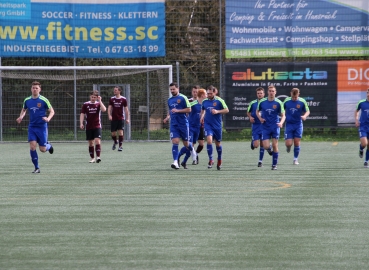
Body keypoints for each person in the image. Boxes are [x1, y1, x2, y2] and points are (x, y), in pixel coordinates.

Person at [16, 81, 55, 173]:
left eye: (36, 88)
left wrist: (48, 118)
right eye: (33, 88)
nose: (35, 89)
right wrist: (21, 117)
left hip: (42, 127)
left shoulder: (44, 100)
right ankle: (37, 168)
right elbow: (24, 109)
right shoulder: (27, 100)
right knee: (32, 146)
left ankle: (49, 146)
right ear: (31, 89)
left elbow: (52, 111)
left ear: (40, 89)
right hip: (32, 127)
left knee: (42, 149)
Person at [163, 82, 194, 169]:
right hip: (174, 124)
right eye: (171, 89)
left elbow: (189, 109)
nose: (172, 91)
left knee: (186, 144)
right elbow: (171, 111)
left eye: (173, 89)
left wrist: (178, 110)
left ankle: (193, 150)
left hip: (183, 124)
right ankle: (176, 162)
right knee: (175, 142)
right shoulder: (169, 100)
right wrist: (167, 117)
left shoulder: (183, 98)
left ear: (178, 88)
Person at [256, 85, 285, 170]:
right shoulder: (262, 102)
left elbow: (283, 115)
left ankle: (274, 165)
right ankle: (269, 148)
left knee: (275, 145)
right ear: (267, 92)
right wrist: (260, 118)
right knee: (265, 146)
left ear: (275, 92)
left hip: (275, 126)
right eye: (270, 91)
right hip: (265, 126)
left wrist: (281, 123)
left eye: (273, 91)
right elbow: (257, 111)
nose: (271, 92)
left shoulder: (279, 103)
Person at [200, 85, 229, 170]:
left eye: (210, 93)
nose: (208, 95)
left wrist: (217, 111)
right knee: (209, 141)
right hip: (208, 125)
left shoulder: (219, 101)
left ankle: (219, 159)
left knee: (218, 144)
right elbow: (203, 110)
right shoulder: (204, 101)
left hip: (217, 126)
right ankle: (211, 159)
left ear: (214, 92)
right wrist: (201, 117)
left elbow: (227, 110)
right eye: (207, 93)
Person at [178, 88, 207, 168]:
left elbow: (204, 111)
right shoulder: (194, 103)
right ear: (202, 95)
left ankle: (184, 162)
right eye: (206, 94)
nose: (207, 95)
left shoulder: (204, 104)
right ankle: (178, 156)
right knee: (189, 145)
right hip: (190, 127)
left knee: (192, 146)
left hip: (198, 127)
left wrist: (202, 118)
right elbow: (185, 108)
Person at [283, 88, 310, 165]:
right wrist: (283, 115)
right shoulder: (286, 101)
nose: (294, 98)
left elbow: (308, 111)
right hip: (289, 124)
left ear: (298, 94)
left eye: (295, 97)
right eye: (293, 97)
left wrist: (305, 116)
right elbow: (282, 109)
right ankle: (288, 147)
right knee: (288, 143)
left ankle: (295, 159)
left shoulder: (302, 101)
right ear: (290, 94)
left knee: (297, 142)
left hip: (298, 124)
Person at [80, 90, 107, 163]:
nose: (93, 98)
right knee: (91, 143)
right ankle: (92, 158)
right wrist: (81, 123)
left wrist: (100, 101)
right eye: (92, 97)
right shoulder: (85, 104)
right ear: (90, 96)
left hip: (97, 126)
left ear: (97, 97)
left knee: (97, 141)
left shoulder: (98, 104)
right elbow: (82, 114)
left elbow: (104, 110)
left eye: (94, 97)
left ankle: (98, 157)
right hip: (89, 126)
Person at [247, 87, 265, 167]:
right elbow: (248, 112)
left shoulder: (267, 102)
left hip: (264, 126)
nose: (259, 94)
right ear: (256, 94)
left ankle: (260, 161)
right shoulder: (253, 103)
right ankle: (253, 141)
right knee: (255, 145)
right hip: (256, 125)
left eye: (261, 93)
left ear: (264, 94)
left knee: (263, 144)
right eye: (258, 93)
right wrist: (250, 117)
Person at [108, 86, 130, 152]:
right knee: (113, 133)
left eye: (116, 90)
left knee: (120, 132)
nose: (114, 91)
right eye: (114, 90)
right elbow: (109, 108)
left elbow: (126, 109)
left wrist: (127, 118)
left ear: (119, 91)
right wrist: (109, 115)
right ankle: (115, 141)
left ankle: (120, 146)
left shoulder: (123, 99)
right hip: (114, 118)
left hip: (121, 118)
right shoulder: (112, 99)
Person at [355, 88, 369, 168]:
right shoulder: (362, 102)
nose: (368, 94)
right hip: (363, 126)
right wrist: (356, 120)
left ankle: (366, 161)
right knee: (364, 143)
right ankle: (361, 148)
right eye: (367, 92)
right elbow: (356, 111)